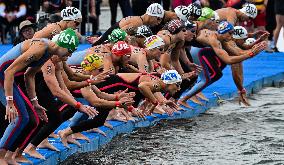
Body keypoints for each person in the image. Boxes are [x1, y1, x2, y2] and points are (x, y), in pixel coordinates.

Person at [0, 28, 95, 165]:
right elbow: (8, 71)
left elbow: (29, 75)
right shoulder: (41, 47)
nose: (69, 57)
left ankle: (11, 155)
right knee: (22, 117)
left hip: (11, 79)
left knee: (33, 120)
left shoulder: (48, 52)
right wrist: (9, 102)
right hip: (3, 77)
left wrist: (34, 102)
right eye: (69, 52)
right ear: (63, 45)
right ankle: (1, 156)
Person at [178, 21, 267, 107]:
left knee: (216, 74)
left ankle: (192, 92)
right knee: (206, 79)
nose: (232, 36)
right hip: (195, 52)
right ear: (224, 32)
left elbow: (239, 53)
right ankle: (184, 98)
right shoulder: (215, 39)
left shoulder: (224, 39)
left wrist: (254, 48)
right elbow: (230, 61)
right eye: (230, 33)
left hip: (193, 49)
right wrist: (251, 53)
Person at [91, 3, 165, 46]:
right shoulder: (137, 23)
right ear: (151, 15)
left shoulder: (137, 19)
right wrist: (100, 41)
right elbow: (116, 34)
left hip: (105, 41)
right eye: (158, 19)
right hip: (104, 45)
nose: (158, 22)